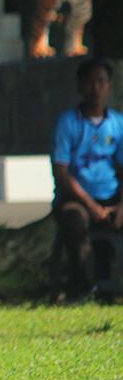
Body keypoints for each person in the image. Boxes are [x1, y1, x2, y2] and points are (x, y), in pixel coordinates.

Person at [51, 57, 123, 302]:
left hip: (111, 195)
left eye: (101, 82)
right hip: (76, 197)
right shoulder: (67, 123)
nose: (96, 88)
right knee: (74, 220)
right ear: (80, 86)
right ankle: (83, 287)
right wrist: (91, 205)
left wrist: (120, 205)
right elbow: (61, 172)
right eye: (90, 82)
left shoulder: (117, 124)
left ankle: (113, 288)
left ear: (110, 87)